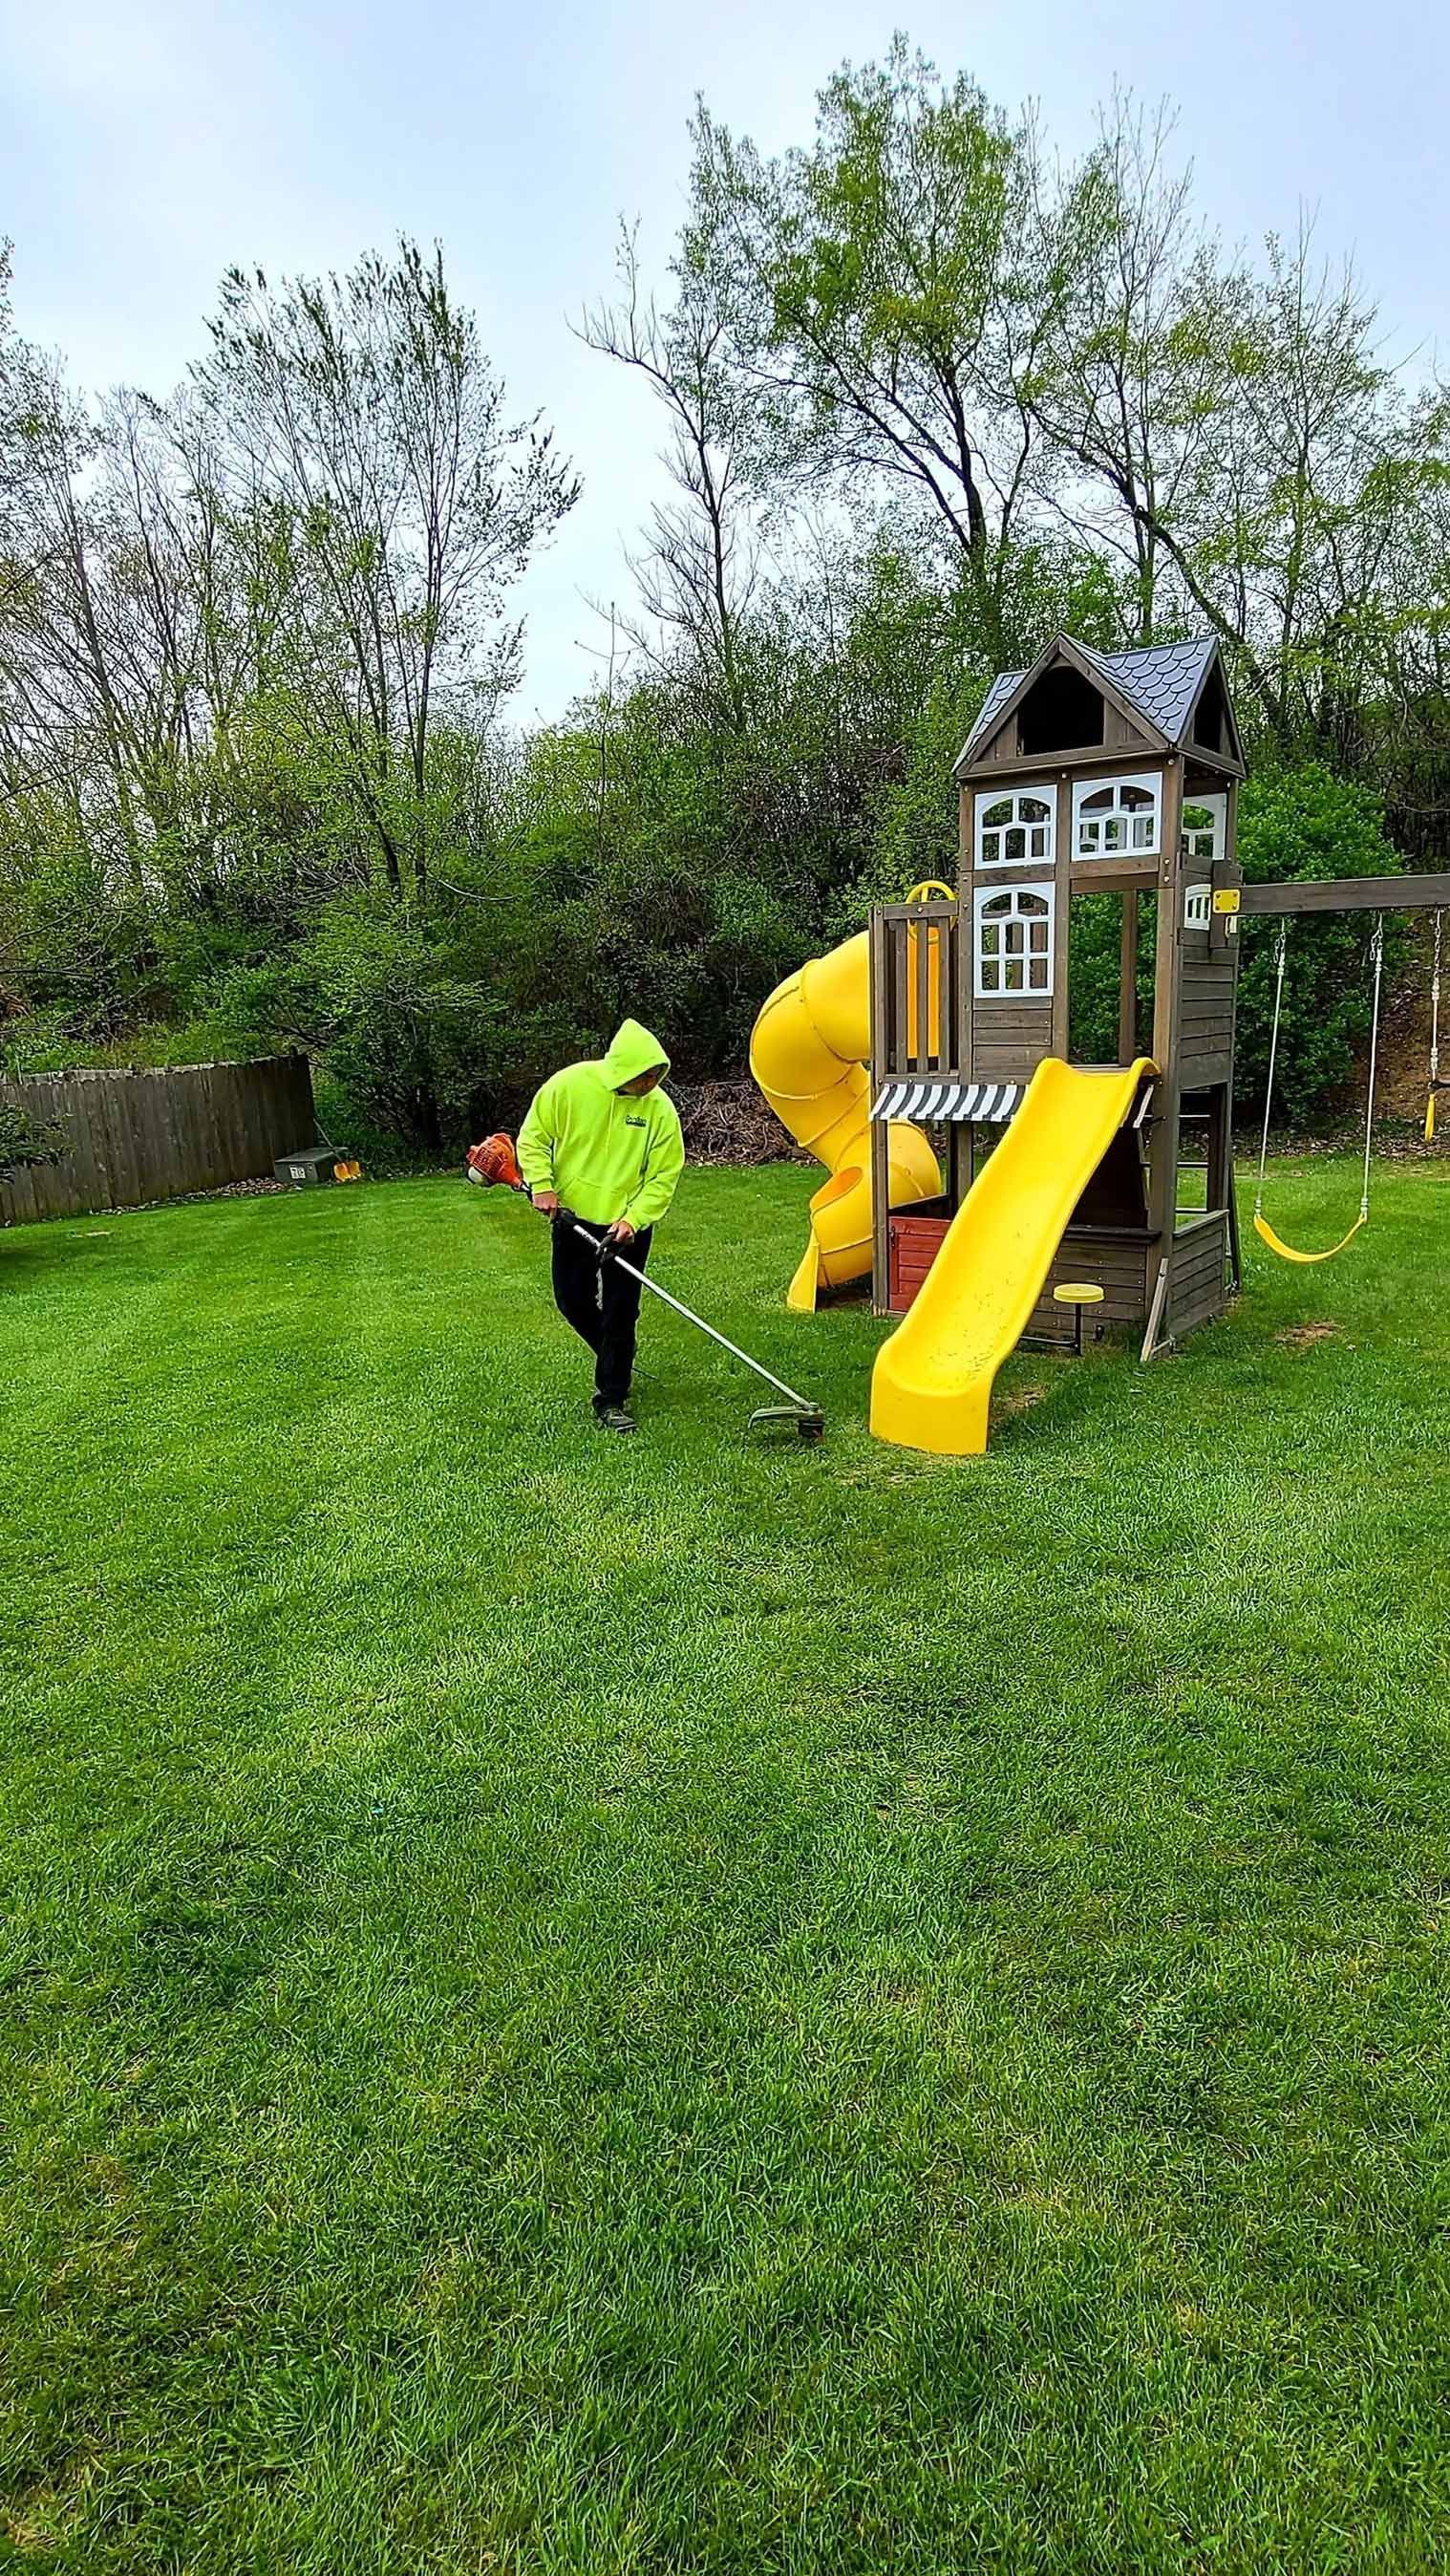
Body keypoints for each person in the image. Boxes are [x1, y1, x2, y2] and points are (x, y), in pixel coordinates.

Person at [517, 1019, 685, 1433]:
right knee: (571, 1299)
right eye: (645, 1074)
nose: (652, 1082)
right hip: (574, 1220)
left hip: (625, 1226)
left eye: (657, 1074)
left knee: (620, 1311)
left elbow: (664, 1175)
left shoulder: (660, 1110)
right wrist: (542, 1185)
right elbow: (533, 1138)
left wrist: (633, 1220)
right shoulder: (568, 1086)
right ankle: (615, 1354)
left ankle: (612, 1396)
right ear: (622, 1069)